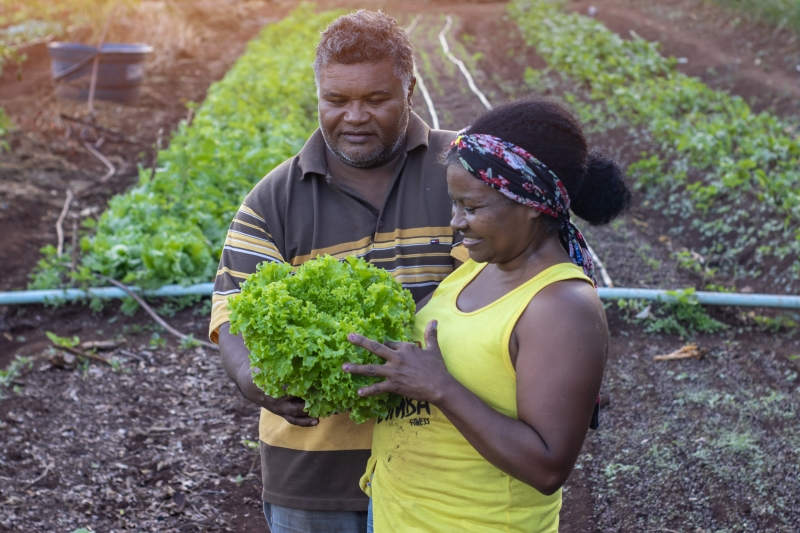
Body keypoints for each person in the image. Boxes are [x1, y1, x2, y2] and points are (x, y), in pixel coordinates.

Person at [208, 10, 467, 533]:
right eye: (336, 100)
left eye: (376, 100)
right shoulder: (274, 199)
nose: (354, 117)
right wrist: (253, 378)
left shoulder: (461, 173)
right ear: (318, 95)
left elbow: (511, 289)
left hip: (440, 461)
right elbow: (234, 313)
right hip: (314, 474)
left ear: (409, 89)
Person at [344, 97, 632, 532]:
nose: (456, 221)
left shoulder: (561, 306)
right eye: (454, 203)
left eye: (473, 207)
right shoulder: (475, 270)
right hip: (396, 514)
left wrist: (441, 387)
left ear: (532, 203)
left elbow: (548, 468)